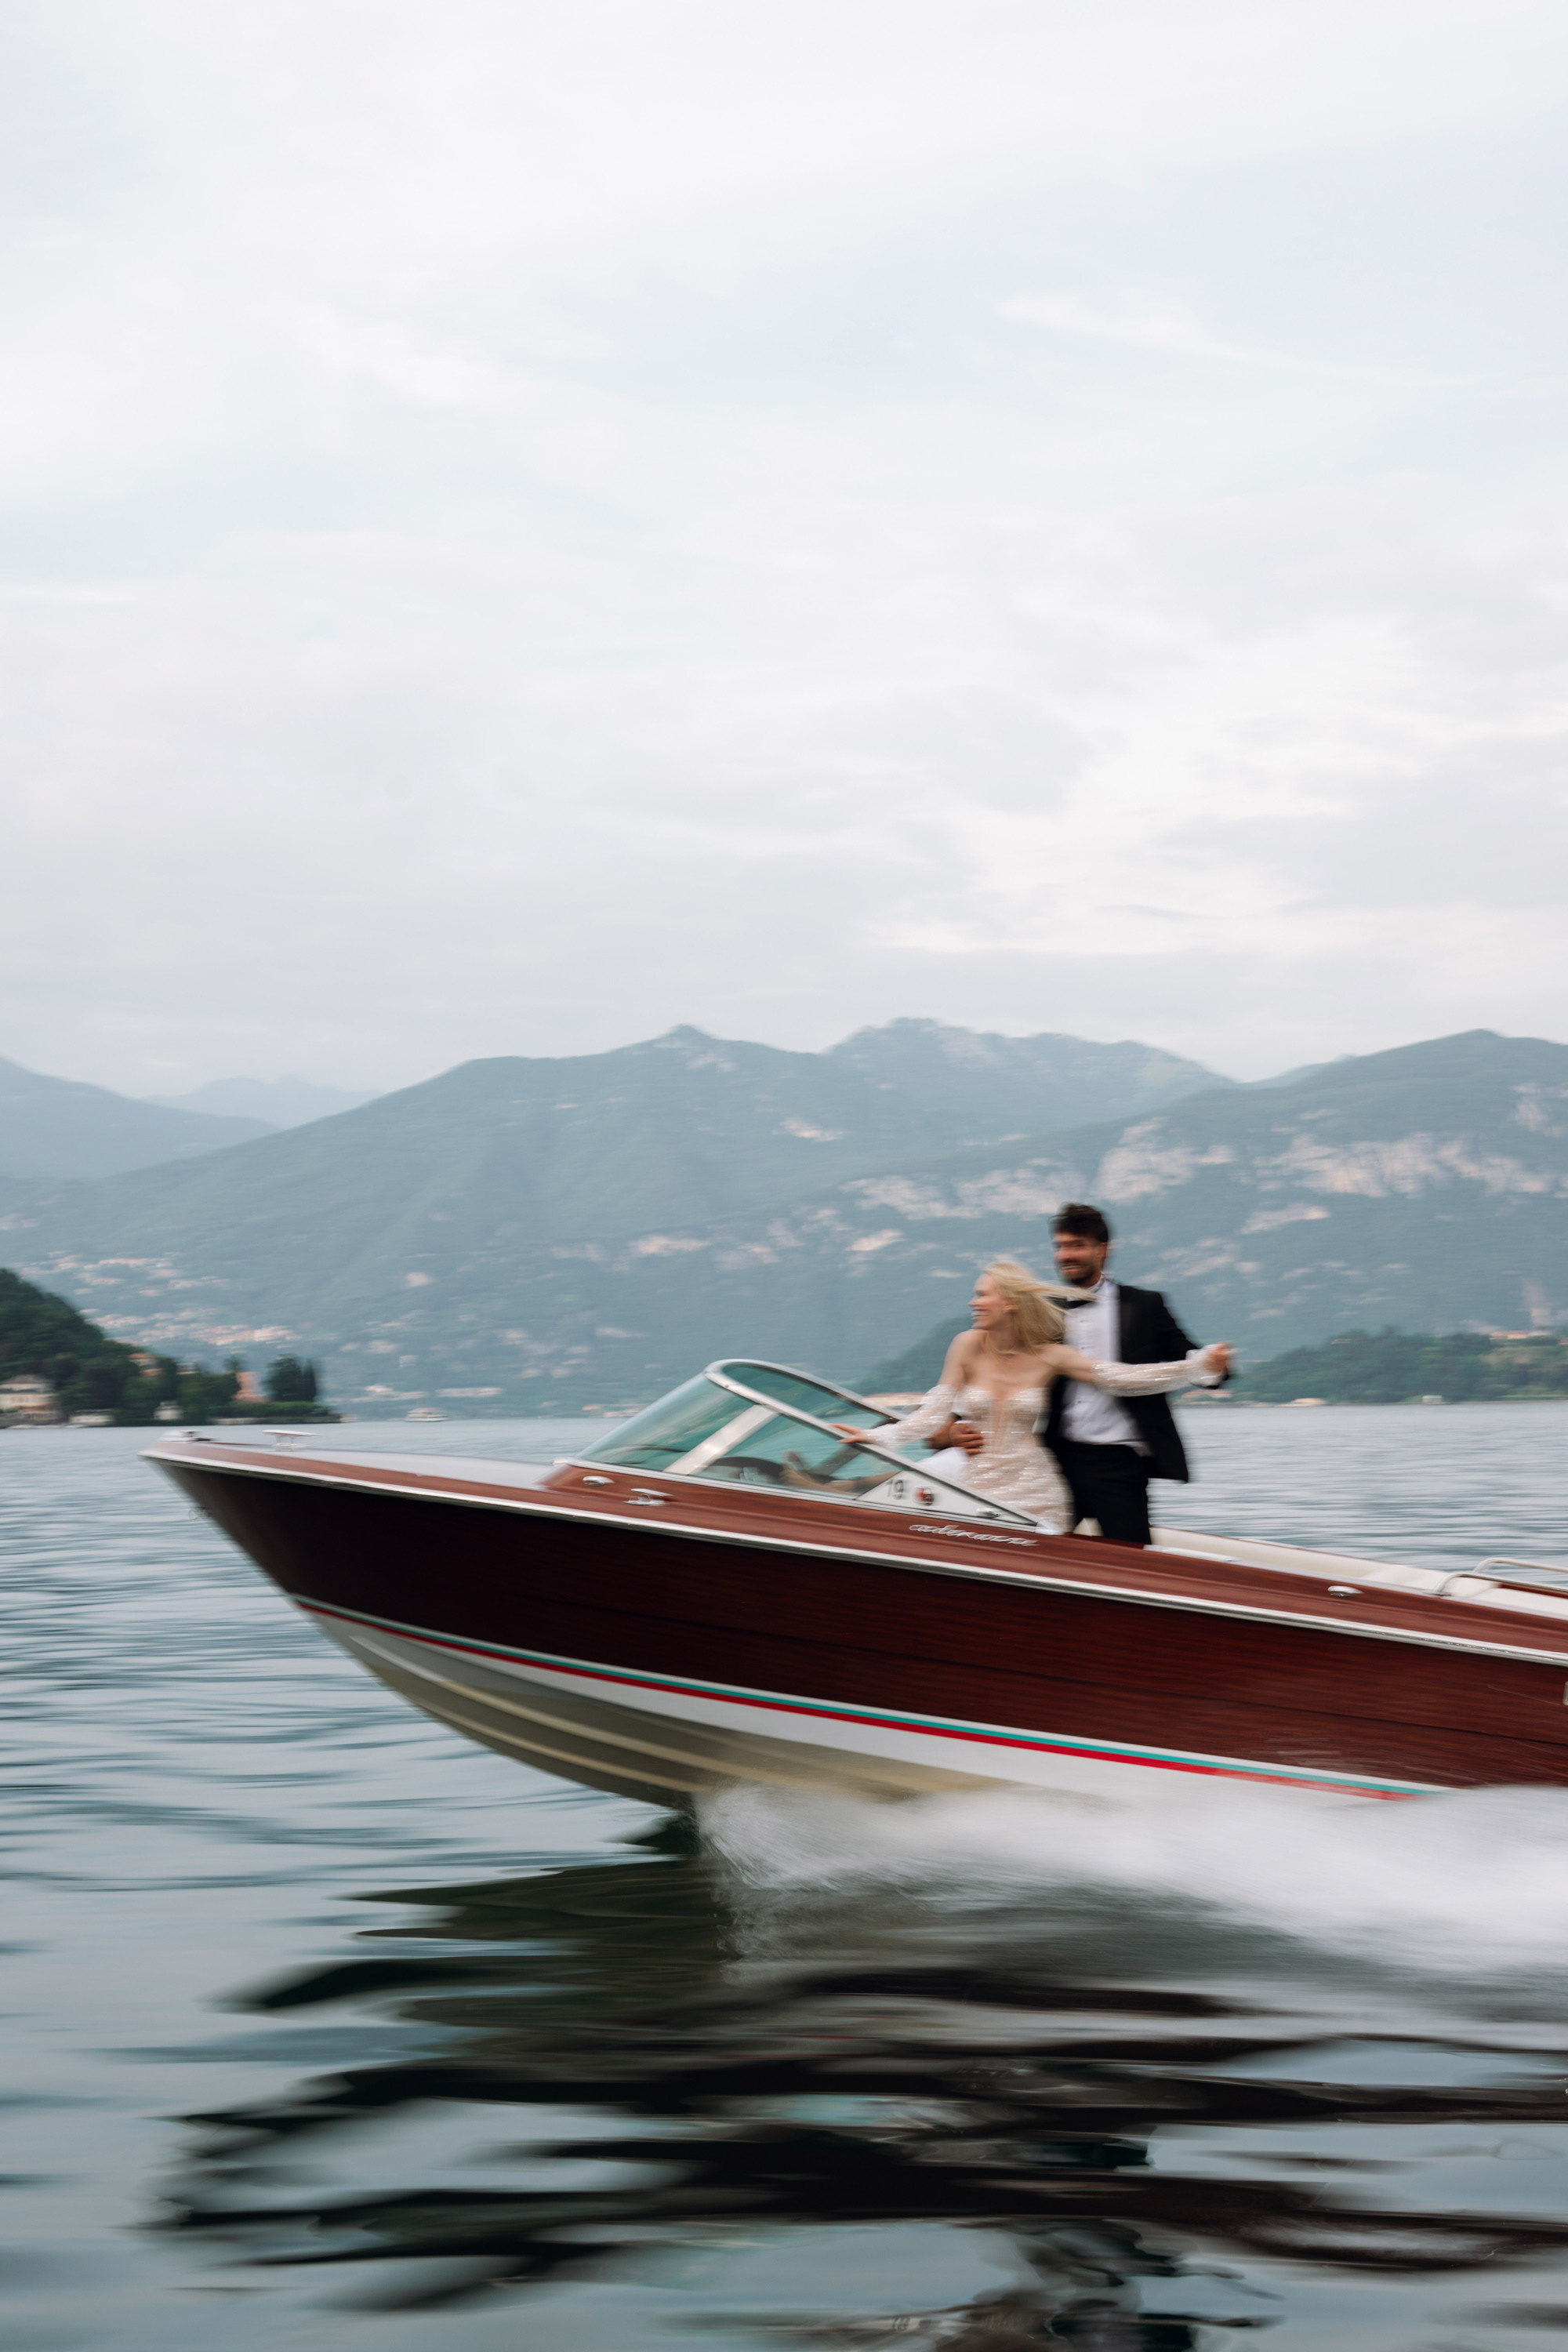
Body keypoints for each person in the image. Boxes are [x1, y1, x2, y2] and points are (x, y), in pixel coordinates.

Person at [835, 1257, 1229, 1532]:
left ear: (1009, 1302)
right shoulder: (966, 1345)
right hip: (979, 1483)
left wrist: (1196, 1368)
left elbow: (1120, 1378)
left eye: (981, 1294)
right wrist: (877, 1437)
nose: (973, 1302)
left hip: (1038, 1489)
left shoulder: (1049, 1355)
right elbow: (932, 1415)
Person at [1041, 1202, 1223, 1548]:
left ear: (1103, 1250)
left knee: (1129, 1564)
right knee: (1032, 1553)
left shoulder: (1145, 1306)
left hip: (1120, 1463)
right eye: (1060, 1246)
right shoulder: (1044, 1308)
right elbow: (1003, 1371)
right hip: (1054, 1460)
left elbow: (1192, 1360)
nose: (1066, 1254)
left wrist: (1213, 1367)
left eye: (1076, 1245)